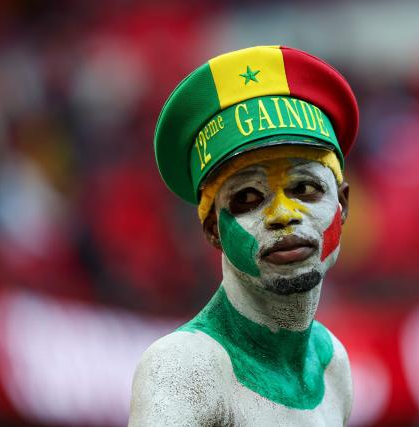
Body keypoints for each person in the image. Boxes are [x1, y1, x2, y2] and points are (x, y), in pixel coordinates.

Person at [128, 45, 359, 426]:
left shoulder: (332, 363)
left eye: (304, 188)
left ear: (343, 204)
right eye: (248, 198)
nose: (283, 215)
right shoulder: (185, 368)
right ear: (213, 230)